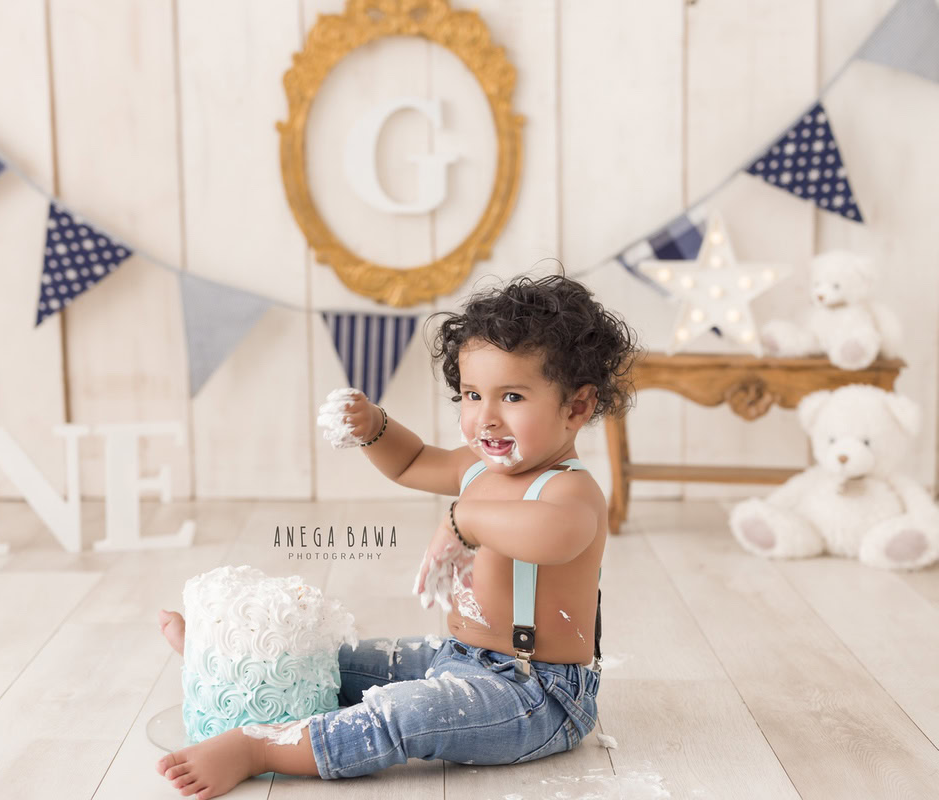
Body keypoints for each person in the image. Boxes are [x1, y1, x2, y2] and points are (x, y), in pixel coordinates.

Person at [156, 271, 638, 798]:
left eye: (513, 397)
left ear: (577, 407)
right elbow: (411, 461)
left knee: (401, 715)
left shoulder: (569, 492)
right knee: (332, 662)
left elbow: (554, 536)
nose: (485, 418)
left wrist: (464, 521)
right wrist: (373, 427)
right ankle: (236, 674)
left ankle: (261, 747)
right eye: (472, 395)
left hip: (535, 693)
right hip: (457, 657)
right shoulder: (478, 470)